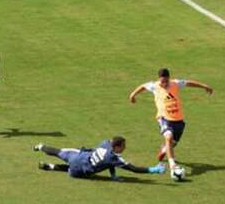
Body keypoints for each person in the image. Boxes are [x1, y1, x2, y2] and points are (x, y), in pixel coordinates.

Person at [128, 68, 213, 176]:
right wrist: (132, 95)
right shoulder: (154, 85)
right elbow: (143, 86)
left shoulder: (175, 83)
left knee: (173, 143)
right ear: (159, 79)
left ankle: (165, 149)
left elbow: (189, 83)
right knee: (168, 137)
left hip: (178, 120)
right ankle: (173, 165)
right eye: (162, 81)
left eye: (166, 81)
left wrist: (204, 86)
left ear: (169, 78)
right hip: (164, 118)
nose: (164, 83)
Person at [34, 137, 165, 179]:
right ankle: (50, 167)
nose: (124, 148)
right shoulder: (115, 158)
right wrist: (154, 169)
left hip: (78, 156)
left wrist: (113, 175)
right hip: (79, 172)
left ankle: (40, 147)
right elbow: (134, 169)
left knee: (59, 152)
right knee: (71, 169)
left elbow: (111, 162)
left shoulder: (105, 144)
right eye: (123, 146)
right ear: (117, 147)